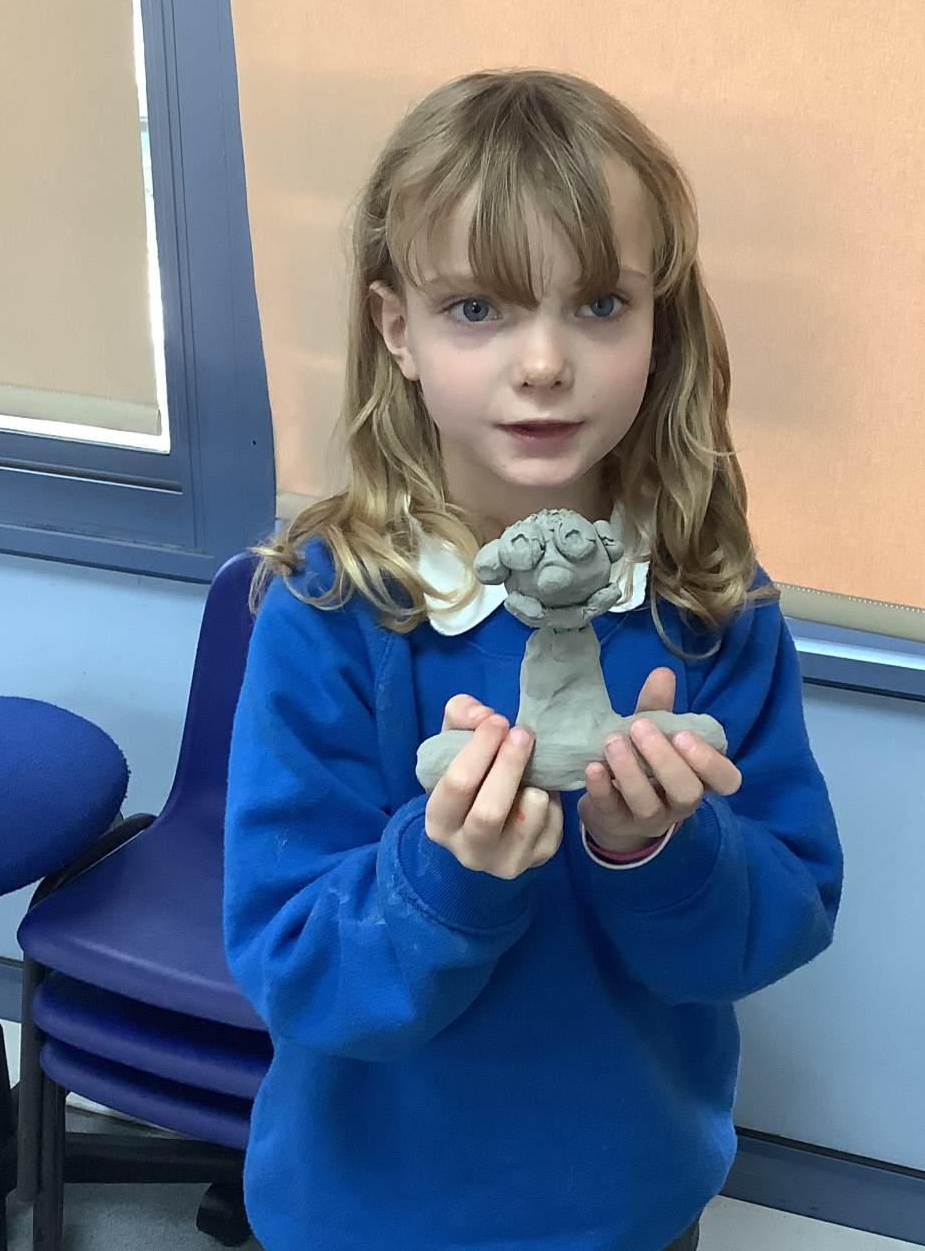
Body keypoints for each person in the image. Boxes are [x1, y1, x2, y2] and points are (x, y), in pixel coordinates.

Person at [224, 68, 844, 1251]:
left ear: (660, 325)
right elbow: (291, 961)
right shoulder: (329, 611)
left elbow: (784, 916)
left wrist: (658, 849)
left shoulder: (713, 607)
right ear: (396, 329)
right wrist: (446, 872)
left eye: (601, 304)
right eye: (478, 308)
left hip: (627, 1204)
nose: (546, 362)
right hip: (374, 1213)